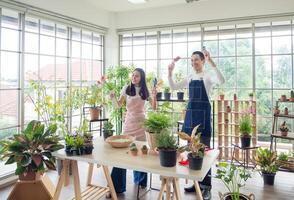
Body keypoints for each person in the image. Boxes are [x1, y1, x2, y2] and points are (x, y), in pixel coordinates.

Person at [167, 49, 225, 200]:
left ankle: (206, 187)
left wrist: (212, 61)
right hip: (191, 117)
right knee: (192, 154)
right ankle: (196, 184)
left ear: (203, 61)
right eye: (192, 60)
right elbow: (173, 87)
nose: (194, 63)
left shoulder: (207, 76)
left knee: (203, 154)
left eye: (196, 60)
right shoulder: (190, 76)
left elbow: (222, 80)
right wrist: (170, 72)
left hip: (203, 117)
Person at [109, 68, 157, 195]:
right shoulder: (126, 88)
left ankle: (141, 181)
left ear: (141, 78)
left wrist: (154, 95)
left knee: (141, 152)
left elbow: (154, 107)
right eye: (133, 75)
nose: (133, 78)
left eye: (136, 76)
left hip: (142, 124)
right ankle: (117, 187)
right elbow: (118, 105)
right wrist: (113, 98)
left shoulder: (145, 90)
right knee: (122, 154)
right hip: (129, 124)